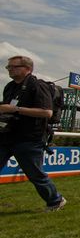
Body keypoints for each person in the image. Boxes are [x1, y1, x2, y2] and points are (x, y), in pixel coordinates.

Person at [0, 55, 66, 211]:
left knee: (35, 175)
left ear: (27, 69)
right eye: (8, 67)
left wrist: (15, 109)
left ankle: (55, 200)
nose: (10, 69)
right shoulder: (10, 87)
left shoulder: (37, 86)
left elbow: (47, 112)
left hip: (29, 139)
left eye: (14, 67)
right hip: (6, 135)